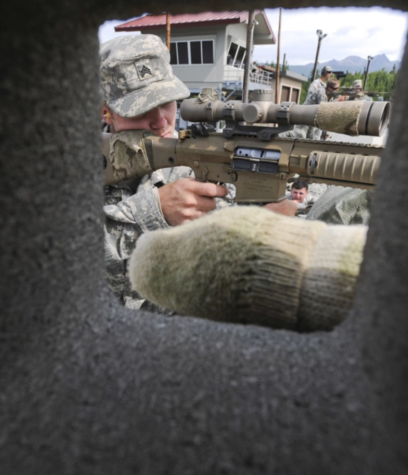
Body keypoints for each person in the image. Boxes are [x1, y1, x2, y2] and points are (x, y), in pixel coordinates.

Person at [99, 35, 294, 312]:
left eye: (167, 102)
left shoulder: (194, 164)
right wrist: (153, 212)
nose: (161, 121)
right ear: (106, 111)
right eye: (141, 109)